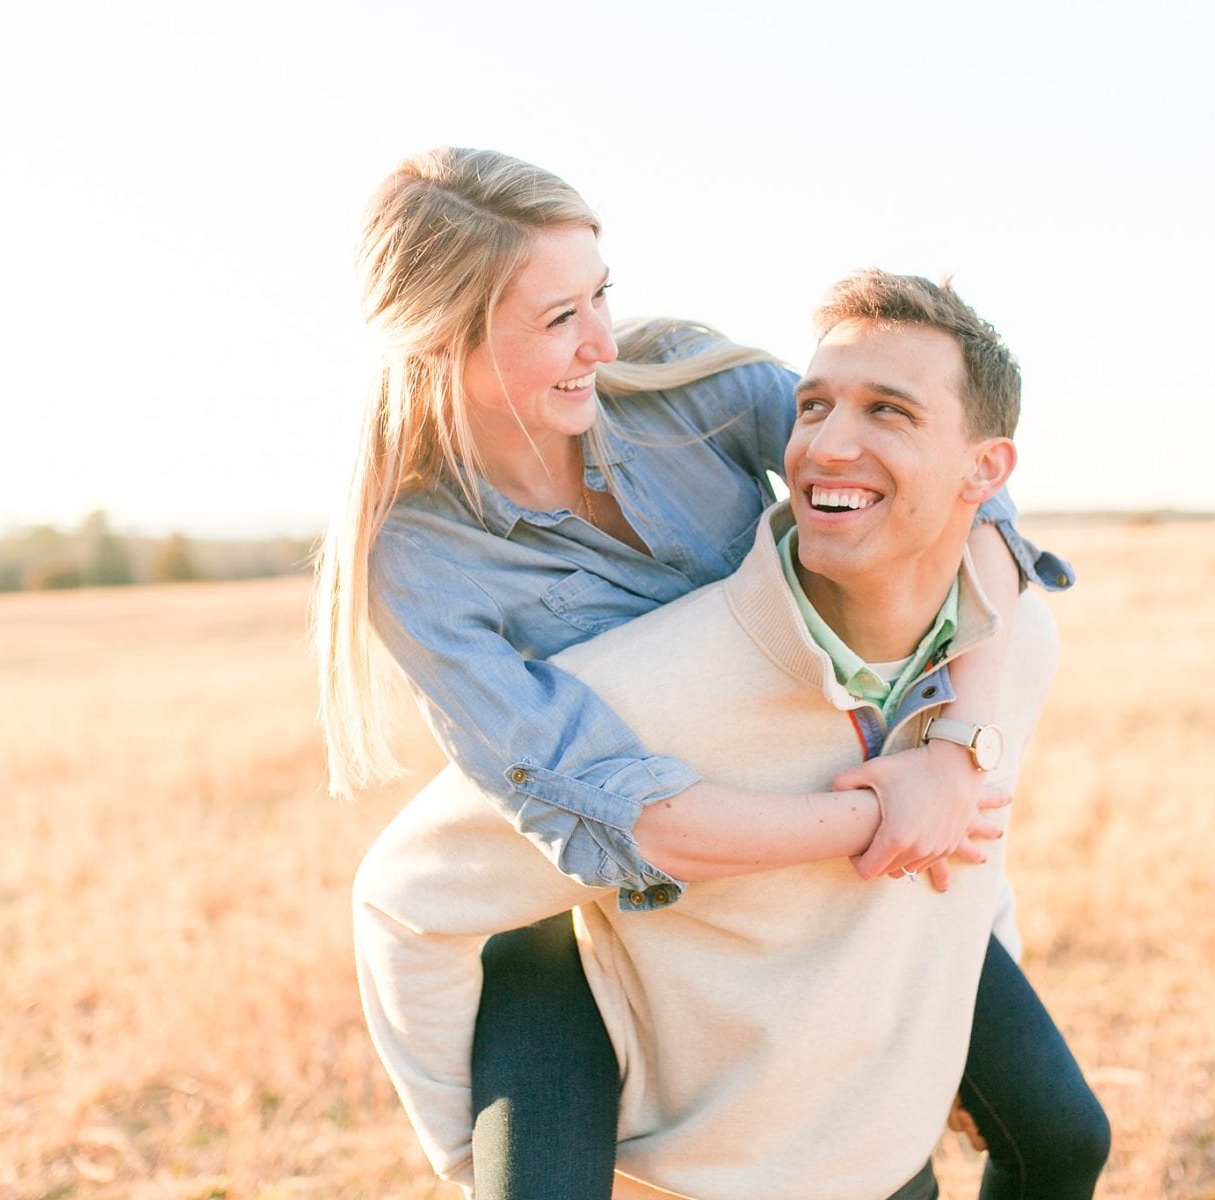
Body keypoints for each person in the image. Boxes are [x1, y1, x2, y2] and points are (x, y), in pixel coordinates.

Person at [313, 149, 1104, 1197]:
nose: (602, 341)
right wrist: (887, 818)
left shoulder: (687, 388)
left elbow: (946, 496)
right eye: (559, 319)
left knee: (1037, 1138)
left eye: (602, 293)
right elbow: (609, 813)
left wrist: (958, 752)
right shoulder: (420, 558)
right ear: (442, 340)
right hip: (610, 899)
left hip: (828, 851)